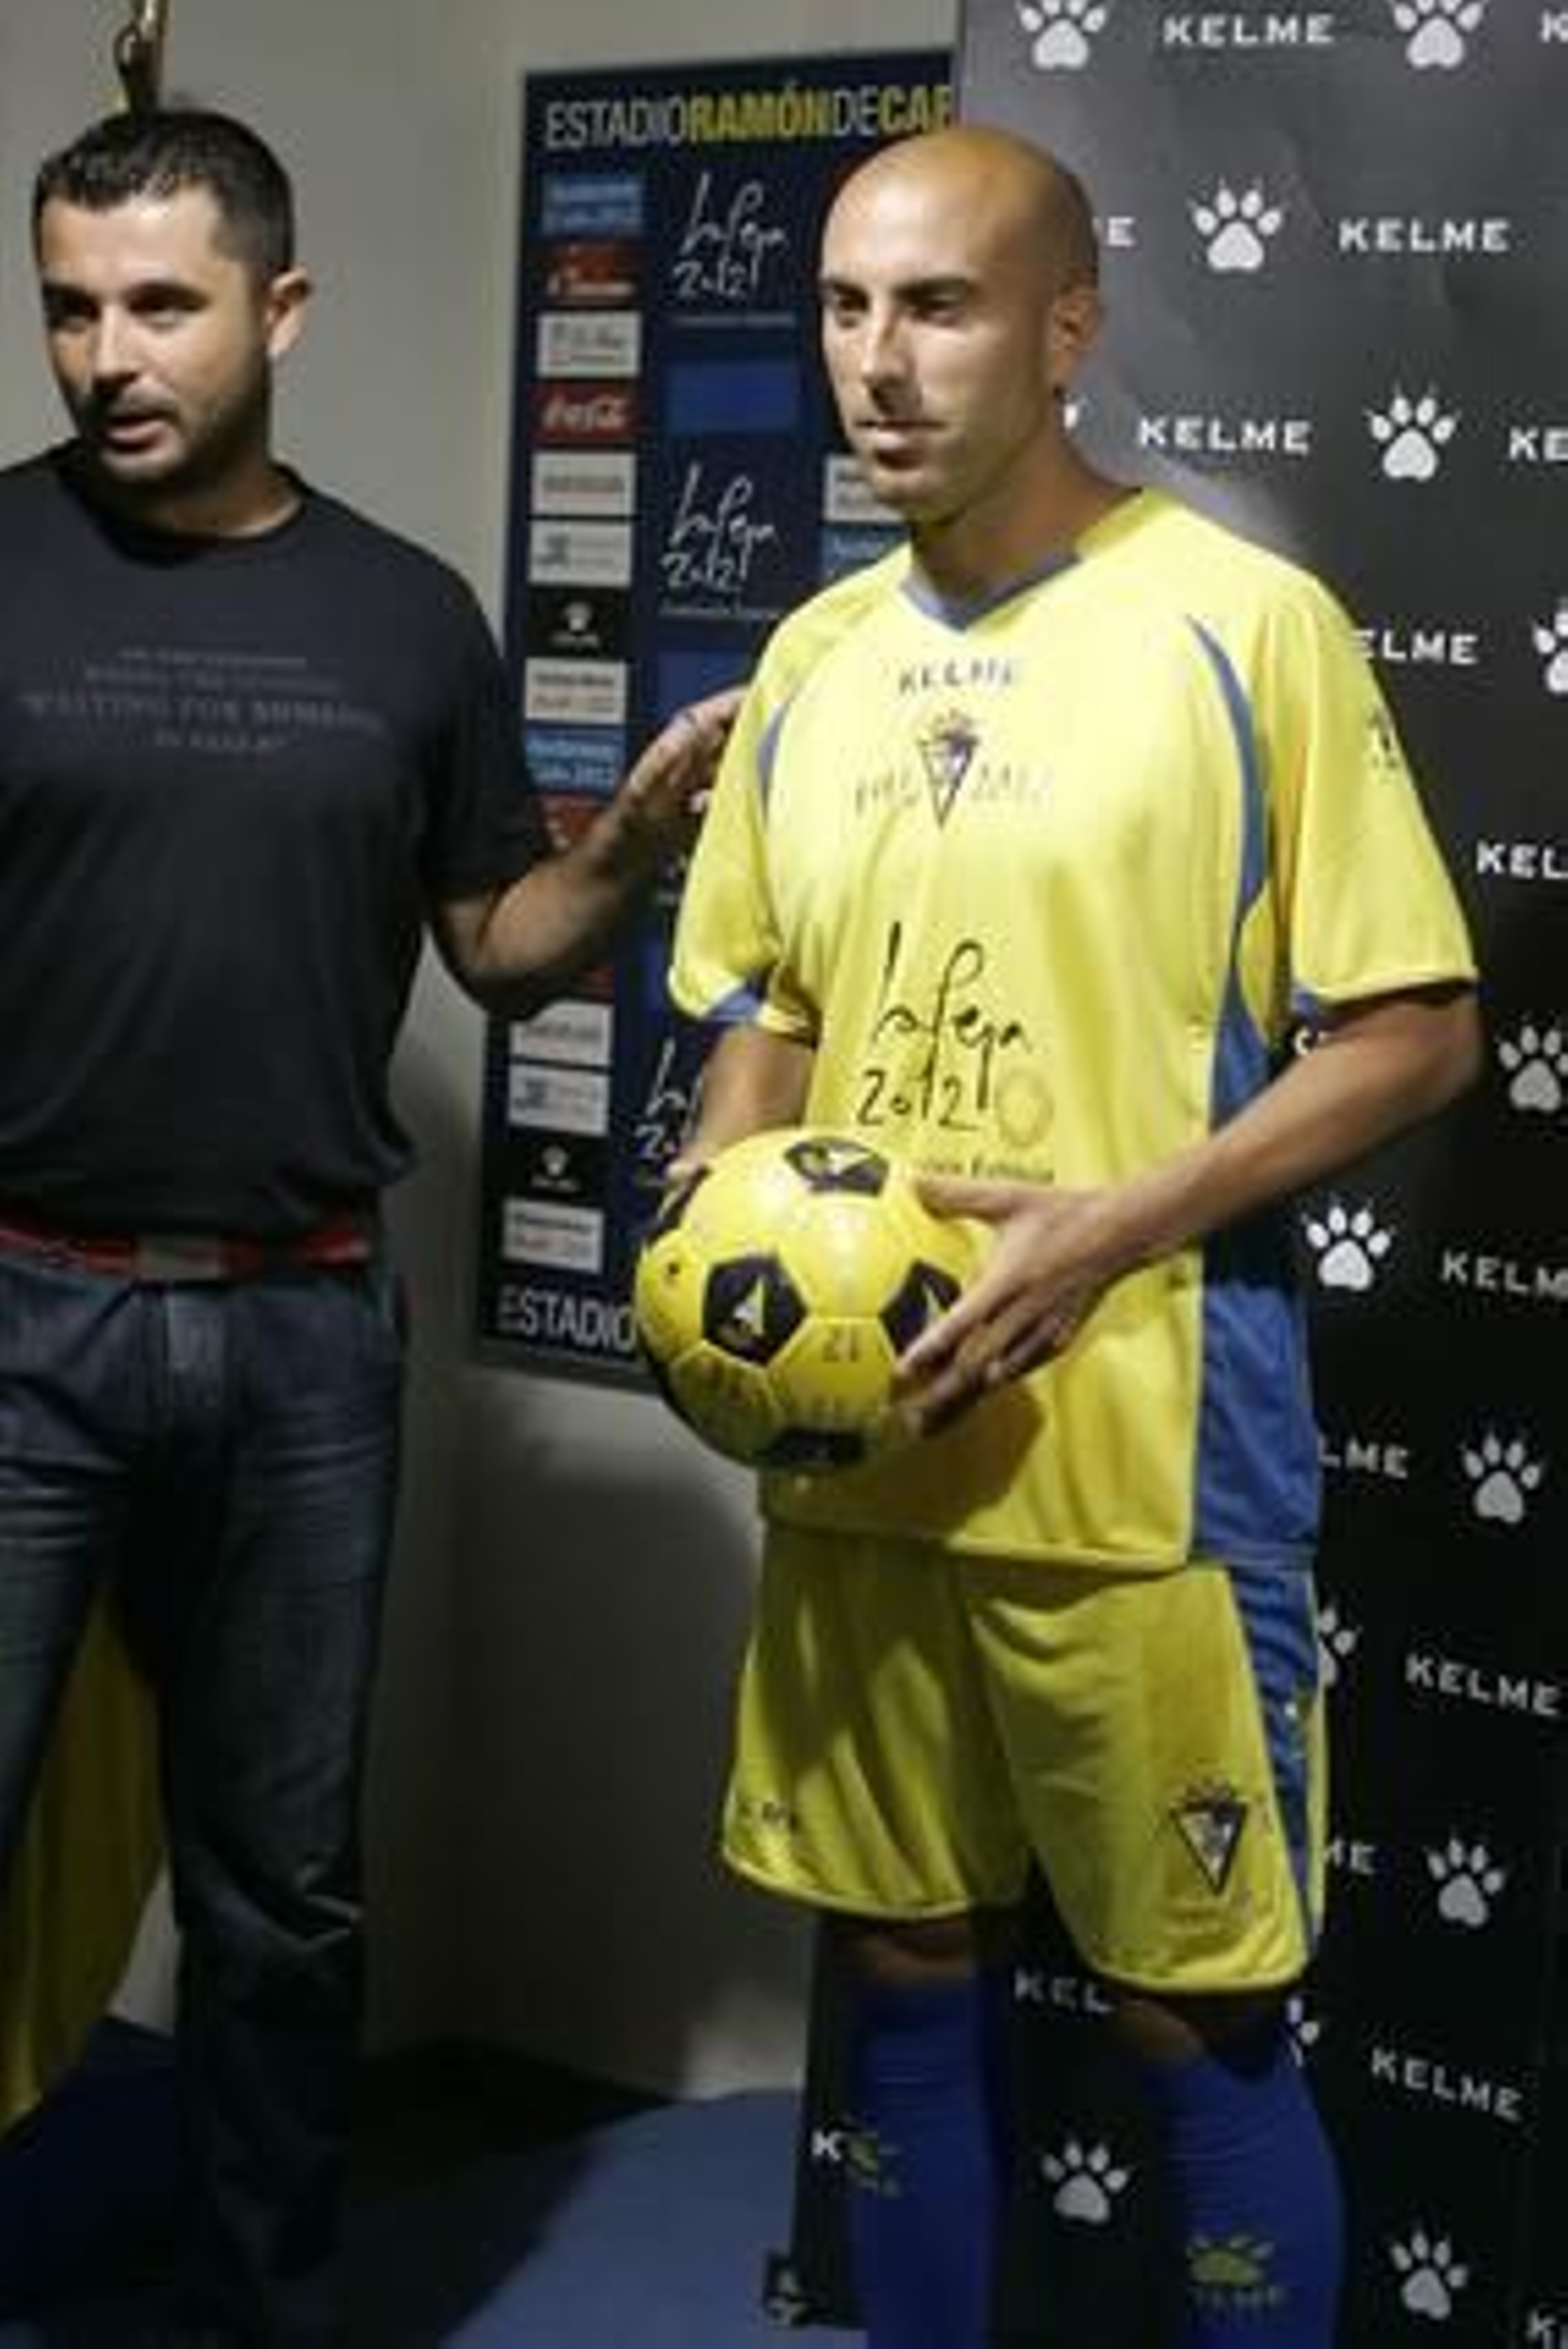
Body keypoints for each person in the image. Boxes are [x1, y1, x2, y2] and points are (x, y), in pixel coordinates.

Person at [667, 123, 1481, 2347]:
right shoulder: (816, 652)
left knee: (1190, 2017)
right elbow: (768, 1005)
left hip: (1138, 1472)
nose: (875, 363)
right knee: (900, 1961)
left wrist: (1112, 1224)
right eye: (840, 309)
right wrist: (721, 1217)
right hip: (862, 1467)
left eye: (932, 307)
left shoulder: (1243, 625)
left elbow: (1410, 1030)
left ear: (1067, 325)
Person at [0, 106, 734, 2343]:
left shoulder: (408, 613)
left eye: (160, 303)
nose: (105, 354)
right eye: (66, 305)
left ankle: (263, 2307)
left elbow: (496, 949)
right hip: (17, 1311)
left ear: (279, 310)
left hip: (310, 1336)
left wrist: (617, 853)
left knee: (284, 1891)